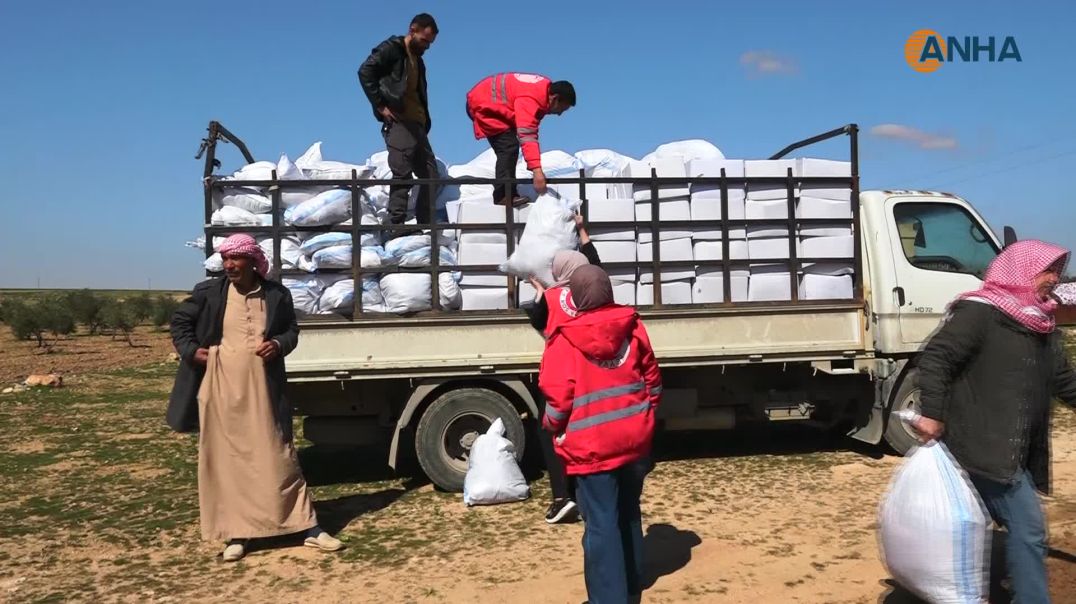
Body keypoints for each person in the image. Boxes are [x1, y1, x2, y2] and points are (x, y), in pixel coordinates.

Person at [911, 240, 1076, 603]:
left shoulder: (1041, 322)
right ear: (1021, 271)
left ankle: (961, 588)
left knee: (975, 522)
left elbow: (1063, 380)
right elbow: (937, 359)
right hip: (983, 442)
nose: (1054, 278)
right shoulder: (981, 312)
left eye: (1057, 271)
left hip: (1017, 445)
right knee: (1028, 528)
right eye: (1047, 270)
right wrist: (932, 412)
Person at [166, 234, 344, 562]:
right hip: (221, 387)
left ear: (252, 261)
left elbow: (291, 331)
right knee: (229, 461)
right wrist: (192, 352)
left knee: (279, 455)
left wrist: (278, 344)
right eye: (225, 259)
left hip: (264, 388)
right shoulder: (209, 292)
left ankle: (308, 528)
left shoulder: (276, 294)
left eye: (235, 259)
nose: (229, 265)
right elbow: (179, 322)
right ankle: (238, 533)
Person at [539, 265, 663, 603]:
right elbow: (652, 379)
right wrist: (645, 415)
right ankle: (632, 581)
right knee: (629, 509)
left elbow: (558, 400)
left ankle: (609, 597)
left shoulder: (564, 338)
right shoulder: (632, 326)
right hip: (634, 441)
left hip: (592, 448)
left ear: (576, 297)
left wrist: (550, 425)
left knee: (601, 521)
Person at [521, 217, 600, 524]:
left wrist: (540, 293)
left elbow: (537, 321)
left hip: (559, 377)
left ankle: (561, 498)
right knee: (583, 432)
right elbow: (597, 266)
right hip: (589, 375)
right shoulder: (592, 294)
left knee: (550, 432)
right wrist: (582, 231)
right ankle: (585, 494)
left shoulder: (552, 297)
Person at [358, 13, 438, 233]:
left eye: (430, 43)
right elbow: (365, 71)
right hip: (399, 122)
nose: (426, 46)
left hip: (417, 125)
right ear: (412, 30)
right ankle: (396, 224)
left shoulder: (418, 61)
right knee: (402, 172)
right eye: (424, 40)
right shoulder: (392, 49)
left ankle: (425, 224)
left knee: (431, 176)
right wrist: (380, 105)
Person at [465, 73, 576, 206]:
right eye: (562, 108)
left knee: (510, 144)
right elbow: (528, 135)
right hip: (484, 106)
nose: (559, 114)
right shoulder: (531, 100)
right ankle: (503, 196)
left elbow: (529, 129)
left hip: (491, 102)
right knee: (508, 147)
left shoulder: (541, 92)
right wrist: (537, 171)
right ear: (555, 98)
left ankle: (508, 192)